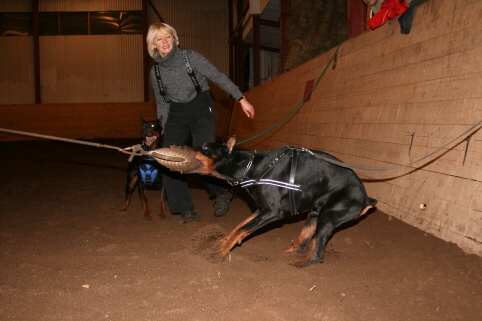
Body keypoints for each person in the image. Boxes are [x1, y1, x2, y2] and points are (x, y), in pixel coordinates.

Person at [146, 22, 255, 223]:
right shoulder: (156, 73)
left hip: (201, 106)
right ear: (153, 44)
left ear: (174, 38)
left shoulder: (190, 57)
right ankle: (185, 209)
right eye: (159, 39)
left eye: (168, 36)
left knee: (203, 154)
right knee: (169, 159)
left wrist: (241, 99)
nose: (165, 42)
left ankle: (221, 192)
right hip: (176, 112)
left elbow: (217, 76)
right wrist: (160, 130)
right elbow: (162, 103)